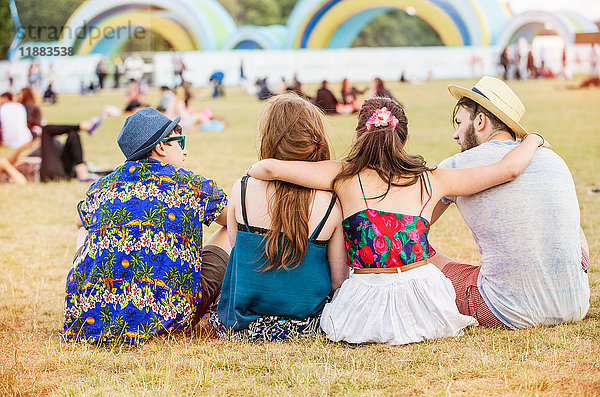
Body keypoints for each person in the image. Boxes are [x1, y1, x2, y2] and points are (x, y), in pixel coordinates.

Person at [246, 97, 546, 345]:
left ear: (359, 135)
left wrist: (255, 173)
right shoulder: (434, 180)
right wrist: (533, 139)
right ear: (404, 138)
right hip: (425, 300)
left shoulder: (342, 176)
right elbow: (509, 169)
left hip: (363, 302)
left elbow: (267, 169)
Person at [429, 76, 590, 329]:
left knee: (412, 247)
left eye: (459, 123)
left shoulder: (455, 166)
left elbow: (413, 225)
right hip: (576, 304)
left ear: (480, 121)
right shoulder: (552, 158)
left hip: (507, 310)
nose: (455, 134)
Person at [62, 107, 230, 344]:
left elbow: (80, 220)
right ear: (160, 147)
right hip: (168, 316)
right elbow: (232, 217)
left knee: (85, 228)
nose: (185, 150)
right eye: (180, 142)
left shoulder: (104, 185)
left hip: (91, 317)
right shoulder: (192, 185)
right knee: (230, 230)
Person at [208, 93, 348, 342]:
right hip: (307, 324)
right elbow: (338, 281)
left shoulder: (242, 188)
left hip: (242, 326)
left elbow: (237, 252)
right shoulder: (331, 203)